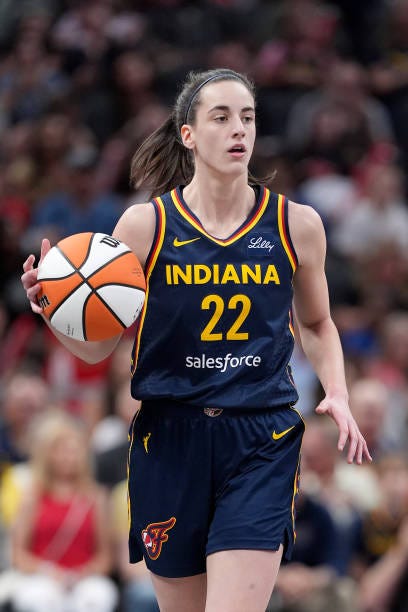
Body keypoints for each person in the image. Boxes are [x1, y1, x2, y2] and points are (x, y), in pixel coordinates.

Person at [21, 67, 371, 612]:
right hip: (169, 435)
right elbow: (98, 346)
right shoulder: (145, 226)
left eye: (248, 118)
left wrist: (338, 391)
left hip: (260, 438)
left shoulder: (296, 224)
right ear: (188, 134)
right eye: (222, 117)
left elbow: (319, 323)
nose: (240, 130)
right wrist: (52, 308)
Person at [6, 411, 119, 612]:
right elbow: (18, 554)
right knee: (42, 599)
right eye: (61, 451)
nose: (68, 457)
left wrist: (83, 573)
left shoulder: (96, 497)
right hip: (41, 577)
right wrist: (48, 572)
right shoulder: (32, 496)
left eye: (74, 451)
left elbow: (105, 556)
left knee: (95, 598)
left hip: (84, 579)